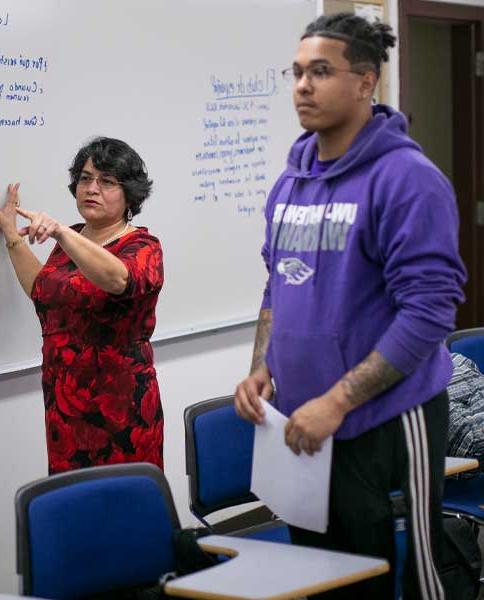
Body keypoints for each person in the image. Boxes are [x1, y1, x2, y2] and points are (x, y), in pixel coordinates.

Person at [233, 13, 466, 600]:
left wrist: (337, 402)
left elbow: (430, 312)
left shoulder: (407, 179)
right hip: (303, 425)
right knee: (324, 579)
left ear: (366, 82)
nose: (302, 87)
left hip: (388, 420)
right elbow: (276, 286)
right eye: (296, 73)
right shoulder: (290, 183)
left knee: (409, 576)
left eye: (320, 72)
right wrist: (262, 369)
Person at [0, 137, 164, 474]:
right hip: (65, 403)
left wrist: (61, 235)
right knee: (73, 504)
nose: (91, 188)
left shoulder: (142, 245)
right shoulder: (73, 236)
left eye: (107, 181)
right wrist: (11, 235)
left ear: (130, 193)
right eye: (85, 178)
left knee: (124, 507)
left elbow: (117, 280)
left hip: (120, 406)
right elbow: (43, 290)